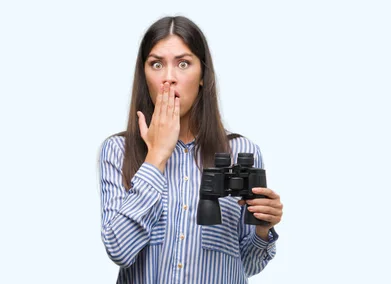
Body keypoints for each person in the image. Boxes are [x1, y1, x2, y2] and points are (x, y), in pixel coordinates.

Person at [98, 15, 283, 284]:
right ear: (144, 75)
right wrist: (156, 156)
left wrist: (263, 229)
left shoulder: (241, 151)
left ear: (201, 76)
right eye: (156, 64)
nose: (169, 78)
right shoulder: (118, 150)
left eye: (183, 64)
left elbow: (249, 264)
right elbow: (119, 250)